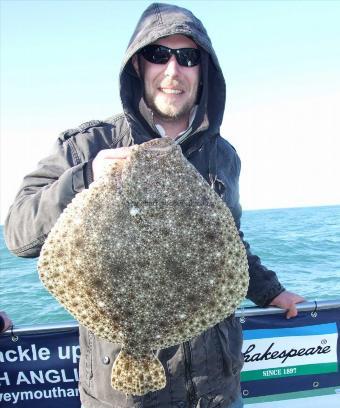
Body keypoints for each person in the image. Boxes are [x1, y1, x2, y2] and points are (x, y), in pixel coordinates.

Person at [4, 3, 304, 407]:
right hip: (122, 396)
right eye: (158, 54)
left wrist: (272, 292)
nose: (172, 70)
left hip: (215, 387)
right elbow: (19, 234)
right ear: (138, 67)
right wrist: (85, 177)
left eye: (188, 57)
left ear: (204, 69)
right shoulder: (89, 145)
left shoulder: (223, 155)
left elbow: (224, 243)